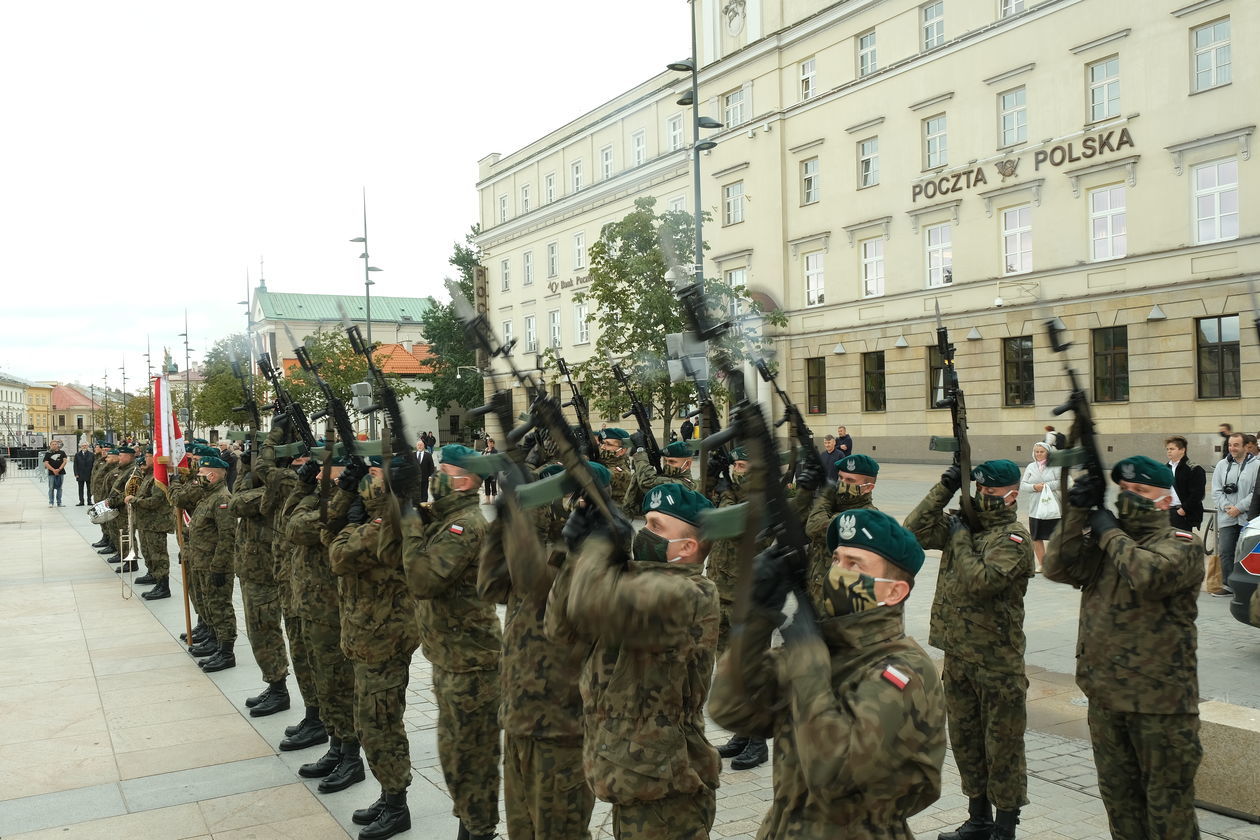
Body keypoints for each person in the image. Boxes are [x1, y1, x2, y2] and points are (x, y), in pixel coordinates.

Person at [711, 508, 946, 837]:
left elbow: (834, 774)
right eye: (837, 560)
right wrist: (756, 617)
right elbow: (732, 710)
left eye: (855, 565)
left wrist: (807, 660)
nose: (838, 573)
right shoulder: (822, 648)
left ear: (894, 592)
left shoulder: (902, 671)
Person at [547, 482, 721, 840]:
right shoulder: (634, 578)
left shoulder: (690, 594)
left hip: (667, 787)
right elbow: (559, 627)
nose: (645, 532)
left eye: (657, 526)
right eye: (646, 522)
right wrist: (576, 552)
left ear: (686, 547)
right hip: (631, 773)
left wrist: (598, 547)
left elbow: (588, 603)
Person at [1043, 456, 1203, 839]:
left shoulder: (1181, 545)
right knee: (1121, 805)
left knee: (1168, 812)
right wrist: (1078, 513)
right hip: (1106, 696)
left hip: (1159, 705)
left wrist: (1108, 532)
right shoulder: (1105, 544)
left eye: (1142, 491)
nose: (1131, 497)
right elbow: (1056, 566)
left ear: (1165, 501)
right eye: (1125, 490)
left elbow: (1148, 575)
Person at [905, 459, 1034, 840]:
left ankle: (1005, 827)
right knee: (966, 742)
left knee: (1003, 748)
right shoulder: (965, 524)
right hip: (959, 656)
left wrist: (960, 536)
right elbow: (912, 531)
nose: (983, 499)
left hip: (997, 663)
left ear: (1012, 495)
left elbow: (982, 581)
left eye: (992, 494)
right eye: (978, 492)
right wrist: (944, 486)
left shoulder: (1013, 538)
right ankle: (978, 819)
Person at [476, 462, 603, 840]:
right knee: (522, 831)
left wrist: (519, 517)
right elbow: (489, 586)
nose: (558, 507)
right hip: (519, 720)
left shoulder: (598, 564)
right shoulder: (551, 552)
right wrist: (502, 520)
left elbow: (539, 582)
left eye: (564, 498)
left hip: (561, 732)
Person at [401, 445, 502, 840]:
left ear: (464, 480)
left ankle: (478, 831)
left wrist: (411, 521)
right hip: (451, 656)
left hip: (472, 663)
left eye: (442, 471)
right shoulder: (449, 518)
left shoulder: (466, 525)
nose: (435, 477)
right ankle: (470, 823)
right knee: (455, 753)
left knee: (472, 756)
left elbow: (424, 581)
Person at [329, 456, 420, 840]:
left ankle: (397, 805)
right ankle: (388, 793)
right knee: (370, 722)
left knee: (381, 724)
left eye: (375, 474)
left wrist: (348, 522)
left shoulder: (391, 524)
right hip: (367, 636)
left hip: (384, 639)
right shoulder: (377, 517)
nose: (367, 480)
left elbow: (337, 554)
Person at [705, 447, 768, 771]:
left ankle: (757, 743)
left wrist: (727, 490)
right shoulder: (730, 492)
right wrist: (711, 476)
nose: (738, 470)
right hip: (721, 592)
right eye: (735, 465)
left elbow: (731, 525)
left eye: (744, 466)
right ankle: (741, 734)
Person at [186, 455, 239, 672]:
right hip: (201, 561)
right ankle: (216, 641)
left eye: (200, 475)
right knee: (209, 604)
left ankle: (226, 652)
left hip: (215, 565)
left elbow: (227, 536)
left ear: (212, 475)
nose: (197, 479)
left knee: (220, 607)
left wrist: (219, 566)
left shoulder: (222, 499)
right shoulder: (207, 496)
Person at [1210, 432, 1256, 598]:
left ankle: (1247, 587)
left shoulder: (1256, 465)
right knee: (1226, 551)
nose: (1232, 448)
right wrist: (1227, 506)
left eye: (1236, 445)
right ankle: (1228, 585)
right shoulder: (1222, 465)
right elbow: (1215, 491)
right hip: (1227, 516)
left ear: (1245, 446)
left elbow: (1256, 492)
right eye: (1230, 445)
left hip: (1246, 518)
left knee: (1246, 553)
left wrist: (1239, 507)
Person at [126, 446, 174, 600]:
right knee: (148, 552)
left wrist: (135, 500)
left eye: (148, 456)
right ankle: (154, 576)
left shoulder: (158, 477)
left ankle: (163, 585)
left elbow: (156, 501)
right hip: (146, 522)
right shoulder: (148, 475)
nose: (145, 459)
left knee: (158, 555)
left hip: (156, 523)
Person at [1020, 442, 1061, 573]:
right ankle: (1043, 564)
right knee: (1036, 537)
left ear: (1048, 453)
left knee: (1055, 536)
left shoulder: (1055, 466)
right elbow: (1023, 485)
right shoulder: (1031, 467)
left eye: (1041, 452)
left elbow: (1061, 481)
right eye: (1036, 451)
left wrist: (1046, 486)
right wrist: (1034, 487)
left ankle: (1055, 563)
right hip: (1036, 508)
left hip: (1052, 507)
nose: (1038, 454)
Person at [1166, 436, 1206, 531]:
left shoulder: (1194, 469)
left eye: (1172, 449)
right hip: (1167, 512)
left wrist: (1184, 509)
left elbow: (1197, 494)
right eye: (1167, 449)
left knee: (1182, 543)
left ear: (1182, 450)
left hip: (1182, 513)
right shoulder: (1165, 468)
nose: (1168, 451)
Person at [43, 439, 68, 507]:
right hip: (51, 473)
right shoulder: (48, 454)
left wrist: (59, 469)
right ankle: (51, 502)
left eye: (55, 444)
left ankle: (59, 502)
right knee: (51, 488)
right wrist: (53, 470)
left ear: (58, 445)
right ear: (50, 445)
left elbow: (65, 461)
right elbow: (46, 463)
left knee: (59, 488)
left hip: (61, 472)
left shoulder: (62, 452)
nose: (54, 445)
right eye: (52, 444)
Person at [414, 439, 435, 504]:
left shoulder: (428, 455)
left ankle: (424, 506)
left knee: (424, 493)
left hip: (425, 478)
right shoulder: (412, 455)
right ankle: (416, 506)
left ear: (424, 446)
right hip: (415, 479)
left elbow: (431, 467)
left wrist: (431, 476)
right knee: (415, 493)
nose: (419, 446)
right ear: (416, 446)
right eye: (418, 445)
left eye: (421, 445)